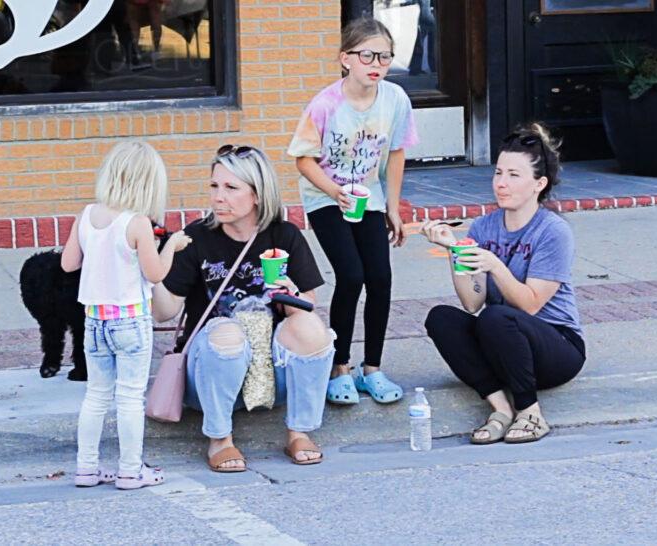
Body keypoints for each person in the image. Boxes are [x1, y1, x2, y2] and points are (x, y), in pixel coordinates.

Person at [152, 145, 335, 472]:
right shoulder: (196, 238)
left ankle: (299, 431)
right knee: (227, 331)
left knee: (312, 327)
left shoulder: (283, 236)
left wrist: (290, 293)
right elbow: (162, 312)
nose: (218, 197)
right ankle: (220, 439)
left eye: (231, 188)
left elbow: (305, 308)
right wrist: (158, 266)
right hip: (209, 373)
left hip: (269, 376)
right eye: (214, 186)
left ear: (257, 196)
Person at [421, 123, 586, 444]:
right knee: (442, 318)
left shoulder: (552, 231)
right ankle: (500, 408)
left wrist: (496, 265)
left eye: (513, 175)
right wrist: (456, 251)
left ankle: (531, 413)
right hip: (501, 342)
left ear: (539, 184)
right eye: (498, 173)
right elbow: (472, 303)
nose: (501, 183)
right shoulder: (484, 226)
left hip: (557, 348)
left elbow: (530, 303)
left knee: (498, 316)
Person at [288, 18, 418, 407]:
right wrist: (335, 192)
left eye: (384, 56)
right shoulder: (326, 104)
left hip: (370, 196)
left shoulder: (395, 99)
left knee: (380, 277)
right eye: (367, 55)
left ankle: (372, 368)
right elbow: (304, 160)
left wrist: (393, 208)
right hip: (325, 197)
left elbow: (396, 154)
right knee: (351, 275)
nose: (376, 63)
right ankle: (339, 366)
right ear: (346, 59)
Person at [60, 140, 191, 489]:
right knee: (130, 396)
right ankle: (131, 470)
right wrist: (172, 247)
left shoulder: (86, 215)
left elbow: (68, 263)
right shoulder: (137, 224)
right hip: (130, 320)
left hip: (94, 319)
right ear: (149, 185)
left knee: (96, 394)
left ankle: (85, 468)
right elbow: (156, 274)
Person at [400, 0, 435, 76]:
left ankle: (416, 67)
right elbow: (425, 16)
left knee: (418, 40)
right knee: (430, 39)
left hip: (416, 14)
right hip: (423, 16)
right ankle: (433, 66)